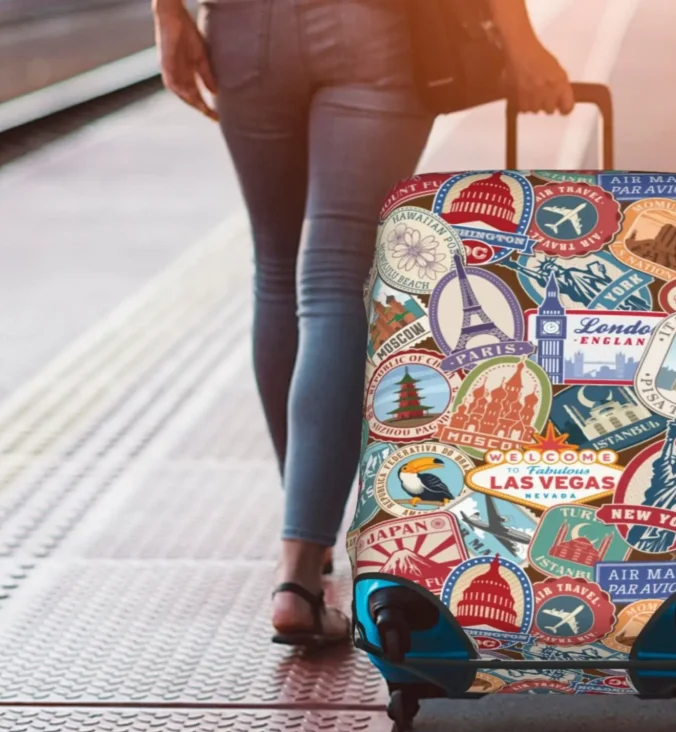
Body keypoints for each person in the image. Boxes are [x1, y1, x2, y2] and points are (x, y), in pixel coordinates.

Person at [152, 0, 574, 645]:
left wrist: (166, 13)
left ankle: (305, 545)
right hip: (370, 31)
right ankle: (299, 565)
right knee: (335, 280)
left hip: (241, 31)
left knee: (276, 265)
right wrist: (519, 41)